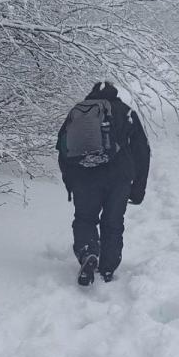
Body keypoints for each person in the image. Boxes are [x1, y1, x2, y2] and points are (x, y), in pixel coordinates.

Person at [56, 82, 151, 286]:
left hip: (84, 177)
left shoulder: (78, 112)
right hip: (119, 179)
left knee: (85, 219)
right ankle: (107, 268)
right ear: (115, 95)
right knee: (113, 222)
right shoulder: (126, 113)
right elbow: (142, 151)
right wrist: (138, 187)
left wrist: (70, 181)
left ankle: (88, 253)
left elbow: (62, 148)